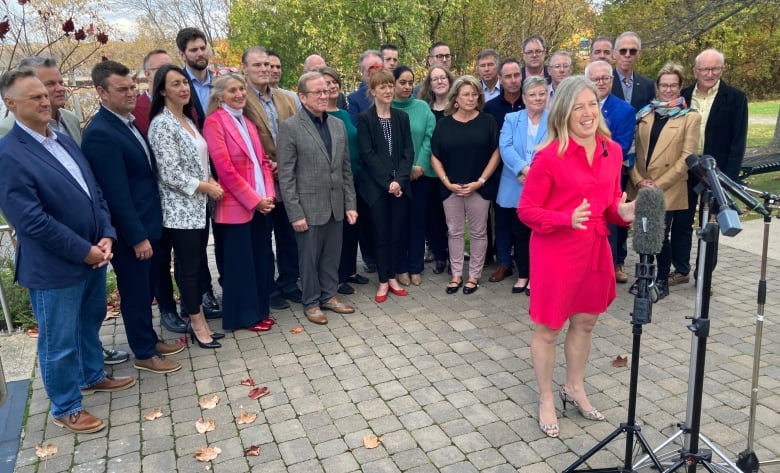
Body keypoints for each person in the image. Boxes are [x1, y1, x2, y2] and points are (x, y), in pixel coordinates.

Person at [0, 69, 135, 433]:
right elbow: (31, 222)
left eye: (45, 95)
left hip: (94, 255)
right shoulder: (9, 154)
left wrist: (106, 234)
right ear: (10, 104)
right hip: (55, 267)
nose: (45, 101)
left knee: (88, 324)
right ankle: (66, 406)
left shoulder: (61, 140)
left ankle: (92, 375)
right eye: (35, 97)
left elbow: (95, 191)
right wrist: (84, 251)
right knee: (58, 341)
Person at [518, 75, 635, 438]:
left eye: (592, 105)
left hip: (595, 249)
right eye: (578, 106)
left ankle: (575, 387)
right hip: (555, 251)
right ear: (564, 113)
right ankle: (547, 397)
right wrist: (563, 218)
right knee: (549, 329)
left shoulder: (611, 151)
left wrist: (623, 213)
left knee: (585, 323)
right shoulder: (549, 157)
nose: (587, 113)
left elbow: (609, 207)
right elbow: (527, 210)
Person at [82, 60, 183, 374]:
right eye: (122, 89)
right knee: (136, 294)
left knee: (146, 288)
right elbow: (116, 194)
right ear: (101, 92)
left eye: (133, 87)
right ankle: (144, 352)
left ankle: (149, 340)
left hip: (148, 224)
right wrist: (137, 237)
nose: (131, 94)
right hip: (131, 233)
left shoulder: (126, 122)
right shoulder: (101, 133)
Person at [148, 64, 226, 348]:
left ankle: (198, 316)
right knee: (190, 269)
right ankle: (198, 323)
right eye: (175, 84)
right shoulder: (162, 123)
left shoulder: (188, 119)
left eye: (184, 83)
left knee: (195, 266)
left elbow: (199, 161)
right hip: (179, 211)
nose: (183, 88)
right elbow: (169, 173)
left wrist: (211, 179)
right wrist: (206, 186)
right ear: (161, 90)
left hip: (198, 208)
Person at [277, 72, 358, 325]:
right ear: (302, 96)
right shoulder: (290, 127)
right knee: (309, 258)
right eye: (318, 92)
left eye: (326, 91)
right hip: (308, 208)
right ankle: (311, 302)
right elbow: (286, 176)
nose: (324, 96)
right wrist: (295, 213)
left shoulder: (337, 124)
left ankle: (329, 295)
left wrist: (350, 204)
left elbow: (345, 168)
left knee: (331, 255)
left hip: (336, 205)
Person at [202, 73, 278, 333]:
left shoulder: (248, 122)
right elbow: (225, 169)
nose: (240, 94)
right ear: (220, 95)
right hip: (237, 207)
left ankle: (259, 311)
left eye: (242, 89)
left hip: (261, 203)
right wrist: (254, 200)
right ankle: (244, 317)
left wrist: (268, 195)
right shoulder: (215, 123)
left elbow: (264, 163)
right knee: (240, 265)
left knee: (260, 261)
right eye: (233, 90)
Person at [628, 63, 700, 299]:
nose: (668, 90)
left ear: (680, 87)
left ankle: (661, 280)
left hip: (666, 187)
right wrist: (639, 180)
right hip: (642, 184)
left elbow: (687, 157)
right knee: (643, 232)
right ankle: (644, 276)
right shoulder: (644, 113)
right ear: (657, 87)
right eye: (664, 85)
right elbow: (633, 152)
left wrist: (658, 184)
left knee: (660, 235)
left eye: (673, 85)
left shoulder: (690, 117)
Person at [132, 49, 189, 335]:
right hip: (151, 200)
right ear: (148, 75)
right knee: (159, 259)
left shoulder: (183, 109)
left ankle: (193, 302)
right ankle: (167, 306)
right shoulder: (138, 108)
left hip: (180, 201)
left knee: (187, 258)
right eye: (159, 70)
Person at [678, 48, 748, 284]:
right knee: (682, 221)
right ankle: (681, 269)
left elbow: (738, 143)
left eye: (715, 68)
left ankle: (704, 274)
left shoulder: (736, 98)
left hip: (717, 172)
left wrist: (728, 179)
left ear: (722, 69)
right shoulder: (683, 96)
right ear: (695, 70)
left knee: (711, 225)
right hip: (686, 168)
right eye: (705, 69)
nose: (710, 73)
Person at [241, 46, 303, 311]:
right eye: (257, 65)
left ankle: (290, 282)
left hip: (289, 178)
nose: (264, 69)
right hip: (259, 181)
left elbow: (302, 132)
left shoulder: (287, 98)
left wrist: (288, 163)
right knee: (263, 238)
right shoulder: (240, 98)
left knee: (290, 234)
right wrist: (268, 165)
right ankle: (269, 287)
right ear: (245, 69)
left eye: (267, 64)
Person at [431, 75, 501, 295]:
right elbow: (435, 156)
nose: (471, 98)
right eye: (466, 95)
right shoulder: (444, 124)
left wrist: (480, 182)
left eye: (475, 94)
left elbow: (496, 153)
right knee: (454, 232)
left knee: (479, 233)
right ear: (456, 99)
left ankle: (474, 276)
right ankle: (456, 275)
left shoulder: (487, 121)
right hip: (451, 188)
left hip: (478, 188)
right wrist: (447, 182)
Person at [357, 69, 415, 302]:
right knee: (380, 235)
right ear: (373, 91)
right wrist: (387, 182)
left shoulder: (402, 118)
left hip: (399, 187)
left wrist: (399, 181)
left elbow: (407, 152)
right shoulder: (365, 119)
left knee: (396, 234)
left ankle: (392, 277)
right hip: (376, 189)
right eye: (382, 86)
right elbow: (367, 154)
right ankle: (383, 280)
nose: (388, 90)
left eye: (390, 85)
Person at [175, 27, 222, 318]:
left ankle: (228, 284)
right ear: (182, 54)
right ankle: (200, 293)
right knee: (196, 238)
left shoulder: (220, 83)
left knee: (225, 232)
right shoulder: (180, 85)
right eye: (193, 50)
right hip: (197, 175)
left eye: (202, 47)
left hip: (224, 167)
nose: (200, 53)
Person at [319, 66, 370, 296]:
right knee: (337, 231)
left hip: (356, 178)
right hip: (335, 181)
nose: (331, 87)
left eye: (334, 82)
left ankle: (349, 270)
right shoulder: (321, 117)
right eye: (326, 83)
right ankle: (336, 277)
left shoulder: (345, 112)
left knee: (352, 228)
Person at [585, 60, 637, 284]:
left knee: (611, 219)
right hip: (582, 176)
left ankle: (613, 263)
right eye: (595, 79)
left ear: (612, 80)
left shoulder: (624, 110)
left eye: (605, 78)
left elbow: (622, 146)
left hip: (609, 174)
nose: (601, 82)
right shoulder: (580, 108)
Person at [497, 76, 549, 295]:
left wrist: (535, 174)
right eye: (532, 94)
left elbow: (557, 147)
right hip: (516, 183)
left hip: (546, 186)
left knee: (542, 235)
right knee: (519, 233)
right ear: (524, 97)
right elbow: (505, 147)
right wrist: (523, 169)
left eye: (542, 93)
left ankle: (539, 277)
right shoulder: (512, 119)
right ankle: (523, 275)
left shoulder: (556, 119)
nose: (537, 98)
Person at [391, 66, 436, 287]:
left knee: (418, 222)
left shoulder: (422, 107)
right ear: (393, 83)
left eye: (411, 82)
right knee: (399, 224)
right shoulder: (386, 108)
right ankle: (400, 267)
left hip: (420, 175)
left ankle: (416, 266)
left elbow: (429, 137)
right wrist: (402, 172)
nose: (408, 87)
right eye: (402, 82)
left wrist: (420, 165)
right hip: (396, 179)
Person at [484, 58, 525, 283]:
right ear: (500, 79)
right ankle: (504, 263)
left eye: (516, 75)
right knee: (501, 219)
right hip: (500, 172)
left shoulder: (530, 104)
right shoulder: (490, 108)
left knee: (525, 219)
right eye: (507, 76)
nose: (512, 80)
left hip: (527, 173)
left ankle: (524, 262)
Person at [417, 65, 455, 275]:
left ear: (450, 81)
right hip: (431, 172)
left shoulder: (458, 108)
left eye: (443, 78)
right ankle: (440, 256)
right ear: (429, 85)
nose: (440, 82)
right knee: (435, 217)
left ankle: (454, 257)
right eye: (435, 79)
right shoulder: (424, 109)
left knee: (453, 218)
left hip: (453, 170)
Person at [611, 32, 654, 110]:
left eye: (633, 51)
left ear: (638, 54)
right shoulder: (604, 83)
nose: (627, 55)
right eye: (623, 51)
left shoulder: (647, 85)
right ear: (614, 54)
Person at [348, 50, 383, 126]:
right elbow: (357, 129)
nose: (376, 72)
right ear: (363, 74)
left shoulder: (394, 92)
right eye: (371, 69)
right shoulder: (355, 99)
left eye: (379, 68)